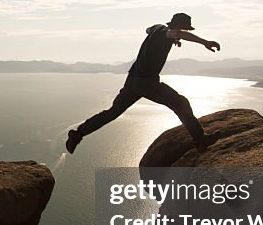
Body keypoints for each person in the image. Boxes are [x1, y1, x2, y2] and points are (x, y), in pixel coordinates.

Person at [66, 13, 221, 154]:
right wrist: (205, 42)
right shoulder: (168, 33)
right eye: (183, 28)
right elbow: (176, 33)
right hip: (148, 83)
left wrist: (171, 38)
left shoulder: (157, 28)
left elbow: (148, 30)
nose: (182, 32)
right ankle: (201, 141)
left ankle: (78, 133)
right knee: (180, 103)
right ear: (178, 27)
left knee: (113, 112)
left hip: (132, 80)